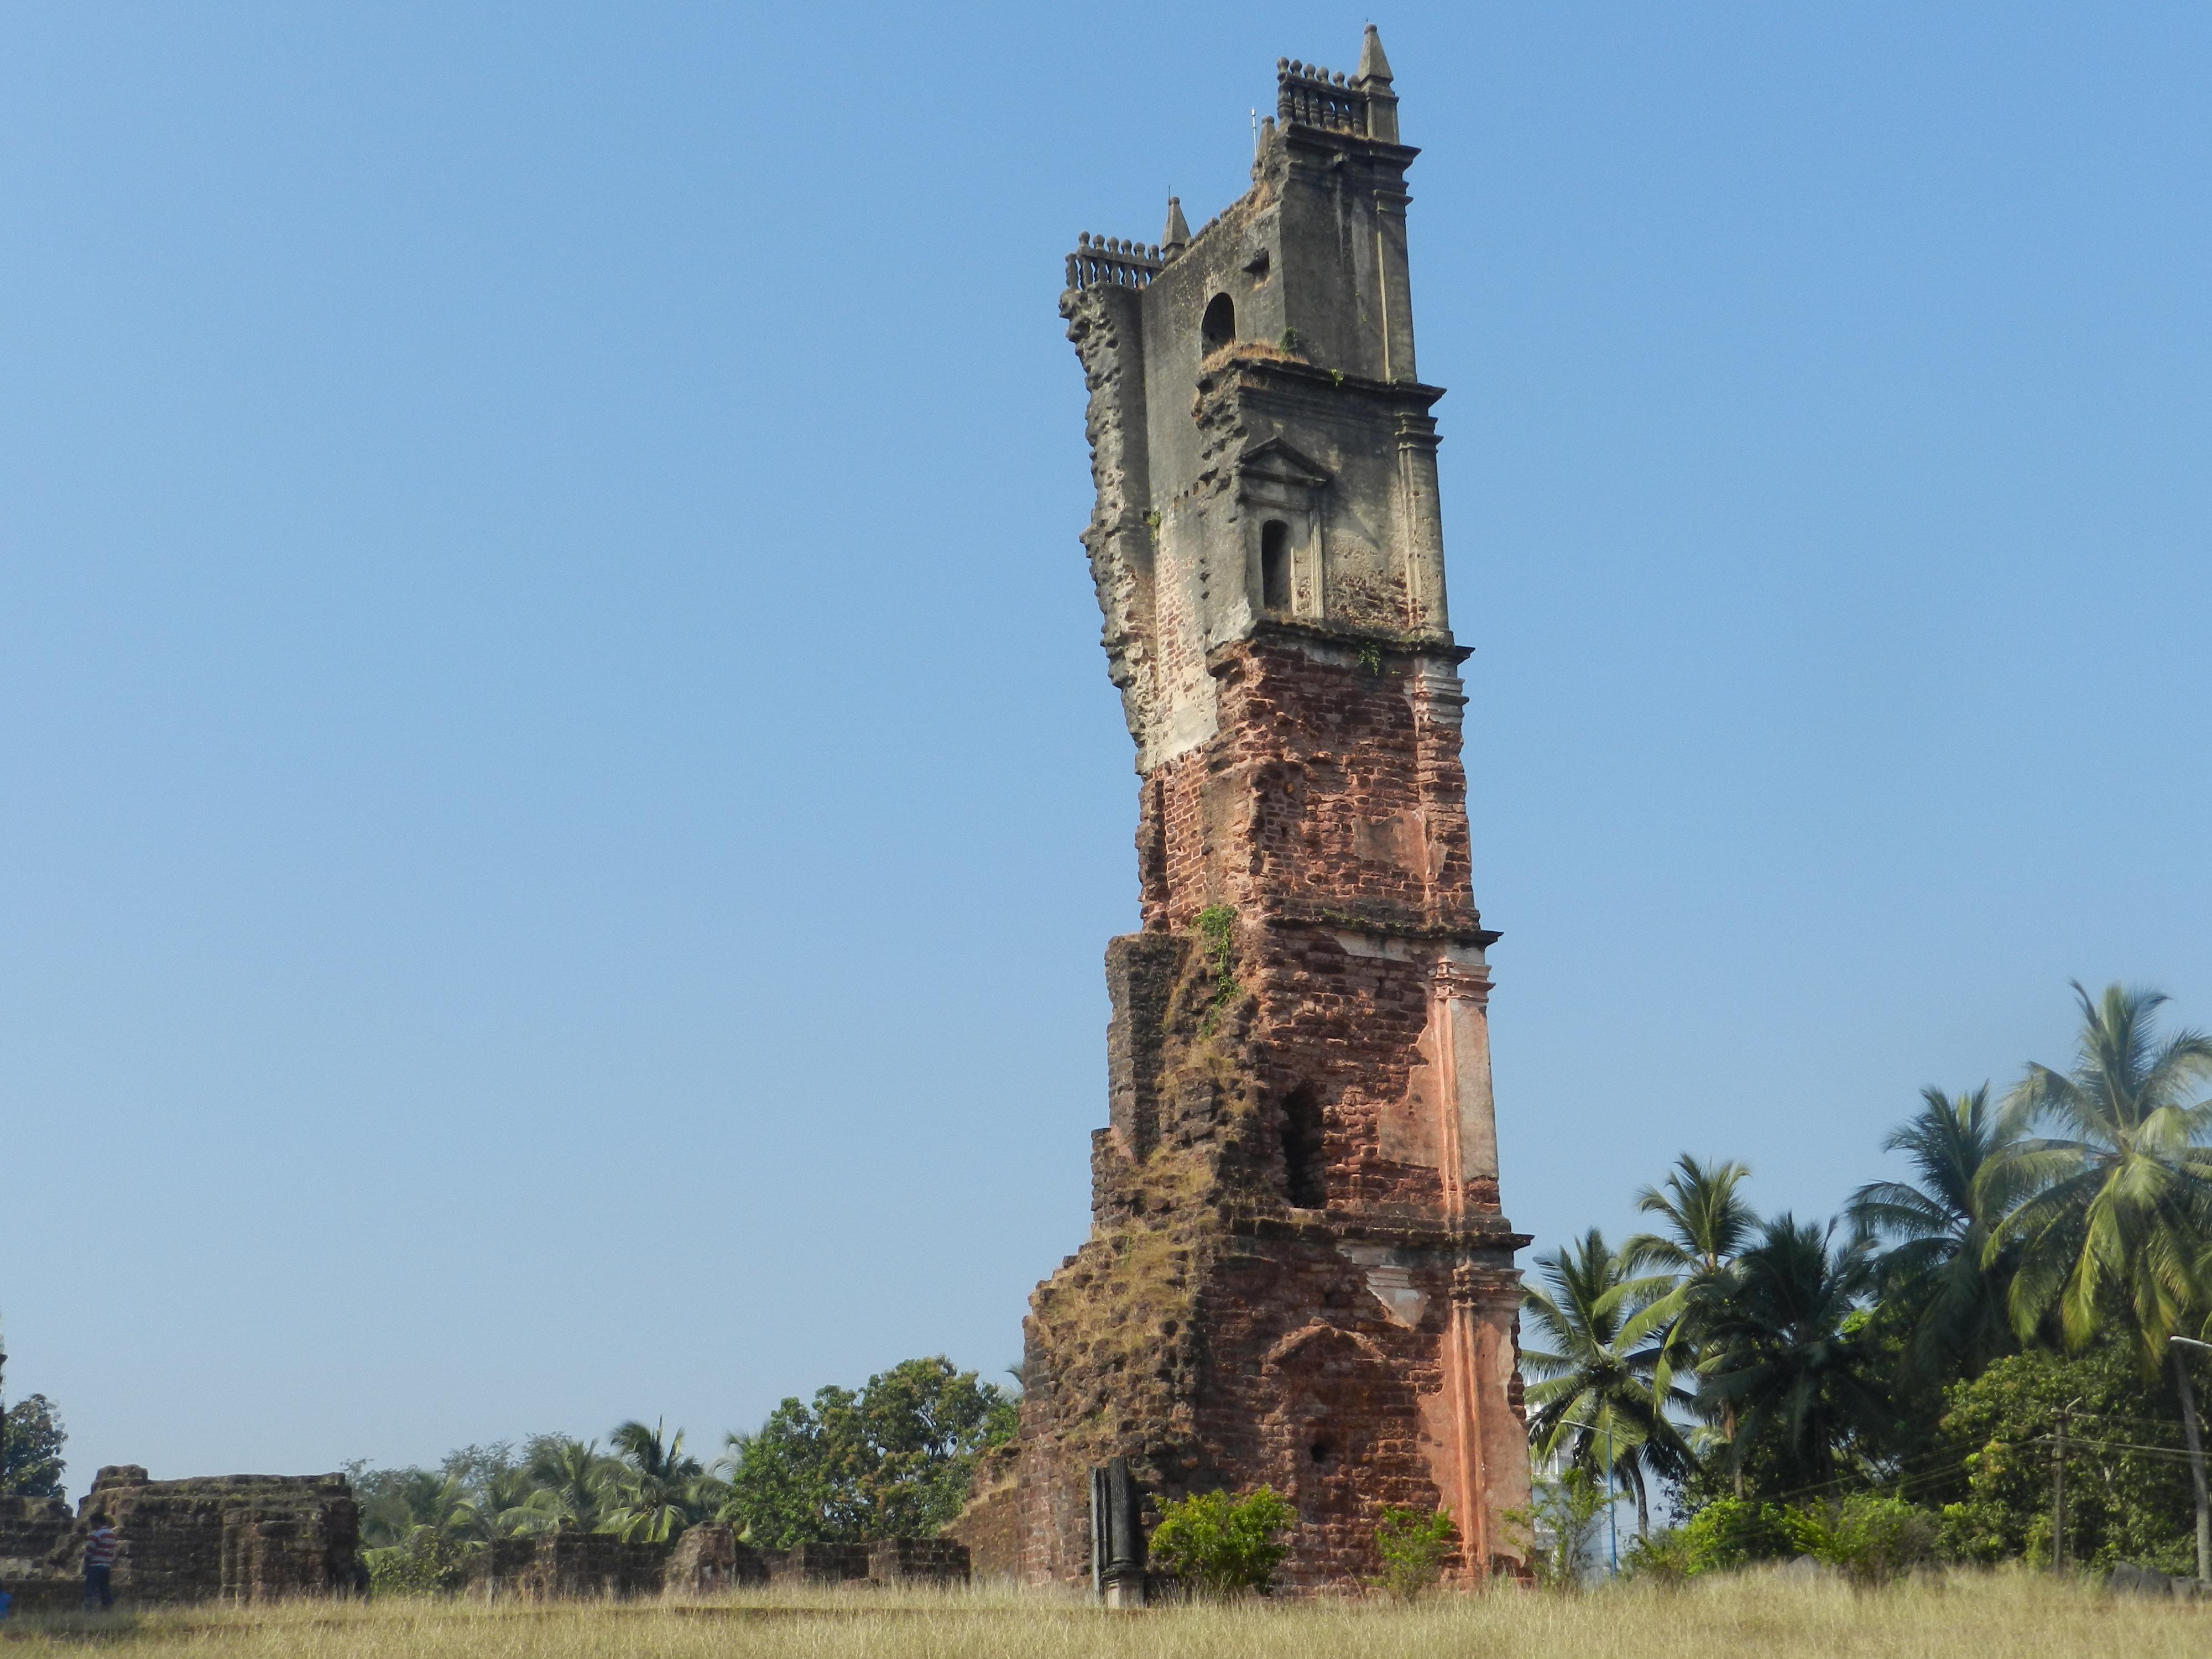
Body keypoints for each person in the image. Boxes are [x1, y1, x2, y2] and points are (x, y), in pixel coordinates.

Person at [82, 1512, 117, 1612]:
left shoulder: (96, 1534)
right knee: (105, 1589)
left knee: (91, 1590)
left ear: (97, 1522)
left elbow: (89, 1552)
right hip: (107, 1566)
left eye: (92, 1523)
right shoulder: (112, 1534)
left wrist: (85, 1565)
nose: (91, 1525)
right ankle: (108, 1609)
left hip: (95, 1566)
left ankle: (89, 1610)